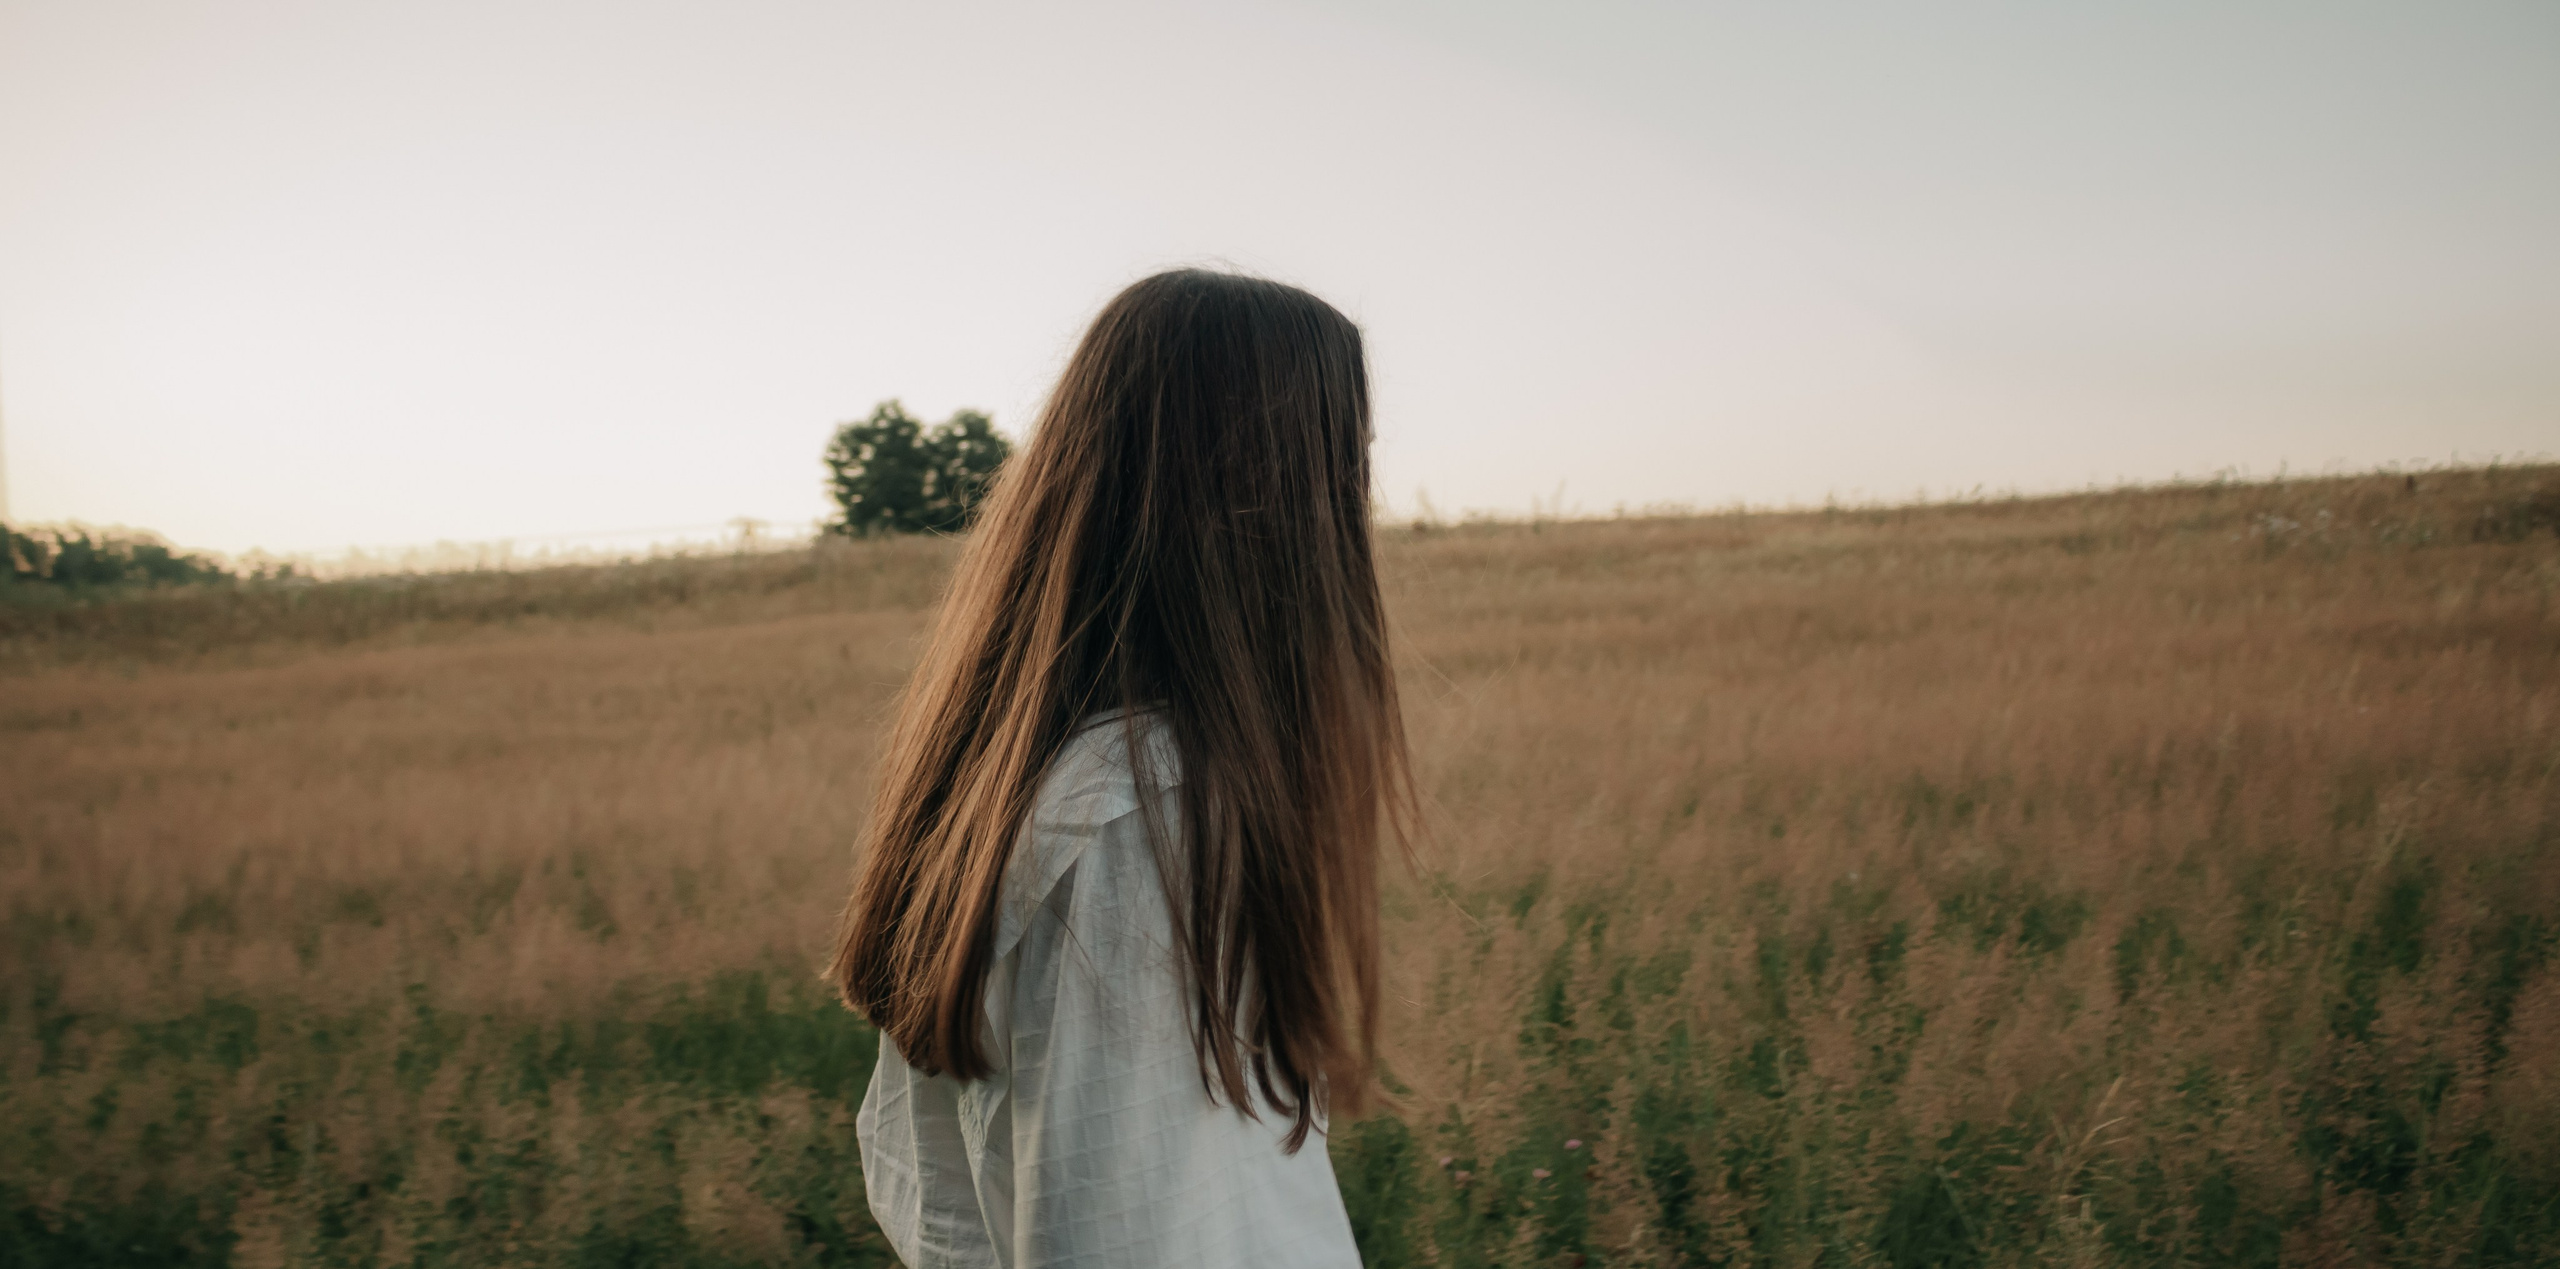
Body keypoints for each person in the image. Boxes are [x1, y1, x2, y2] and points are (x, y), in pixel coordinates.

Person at [829, 268, 1417, 1268]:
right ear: (1263, 509)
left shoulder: (1068, 790)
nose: (1360, 509)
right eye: (1342, 468)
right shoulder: (1135, 832)